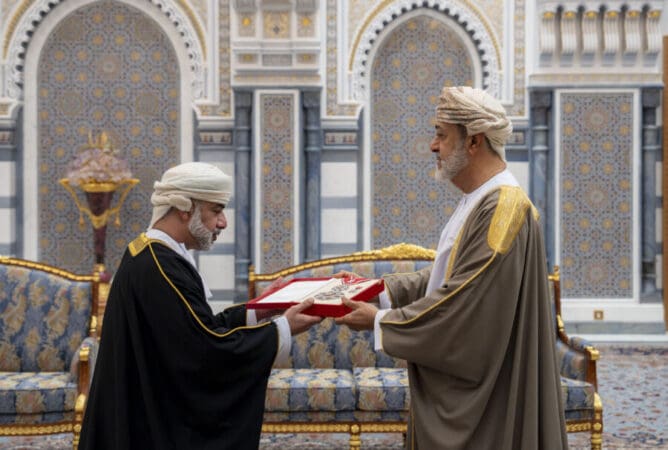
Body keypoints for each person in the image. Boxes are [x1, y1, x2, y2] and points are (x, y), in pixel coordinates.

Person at [335, 86, 568, 449]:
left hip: (489, 400)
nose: (433, 146)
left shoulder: (502, 210)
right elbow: (449, 276)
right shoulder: (480, 200)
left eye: (441, 135)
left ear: (473, 141)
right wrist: (377, 289)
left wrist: (381, 321)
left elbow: (465, 303)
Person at [79, 162, 322, 450]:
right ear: (185, 209)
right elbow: (204, 351)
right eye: (216, 211)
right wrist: (282, 328)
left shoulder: (155, 256)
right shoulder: (160, 266)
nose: (223, 223)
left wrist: (260, 309)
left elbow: (195, 328)